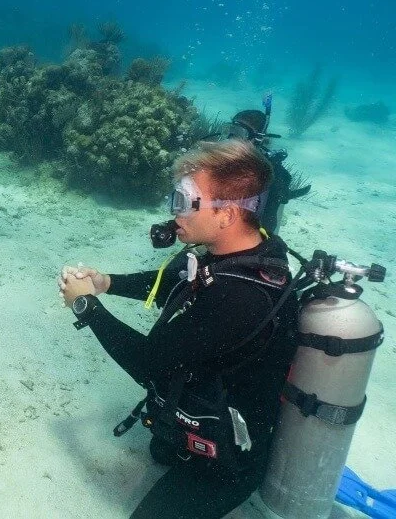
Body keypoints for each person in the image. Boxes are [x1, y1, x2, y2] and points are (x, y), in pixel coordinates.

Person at [58, 140, 299, 519]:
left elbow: (149, 364)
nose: (175, 213)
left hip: (230, 461)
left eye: (186, 200)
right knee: (160, 448)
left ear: (227, 215)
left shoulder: (241, 297)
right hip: (201, 404)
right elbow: (173, 283)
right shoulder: (246, 251)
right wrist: (107, 282)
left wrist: (86, 306)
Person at [225, 102, 310, 234]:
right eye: (231, 130)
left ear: (257, 138)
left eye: (240, 133)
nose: (231, 138)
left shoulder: (268, 173)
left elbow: (268, 222)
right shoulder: (218, 159)